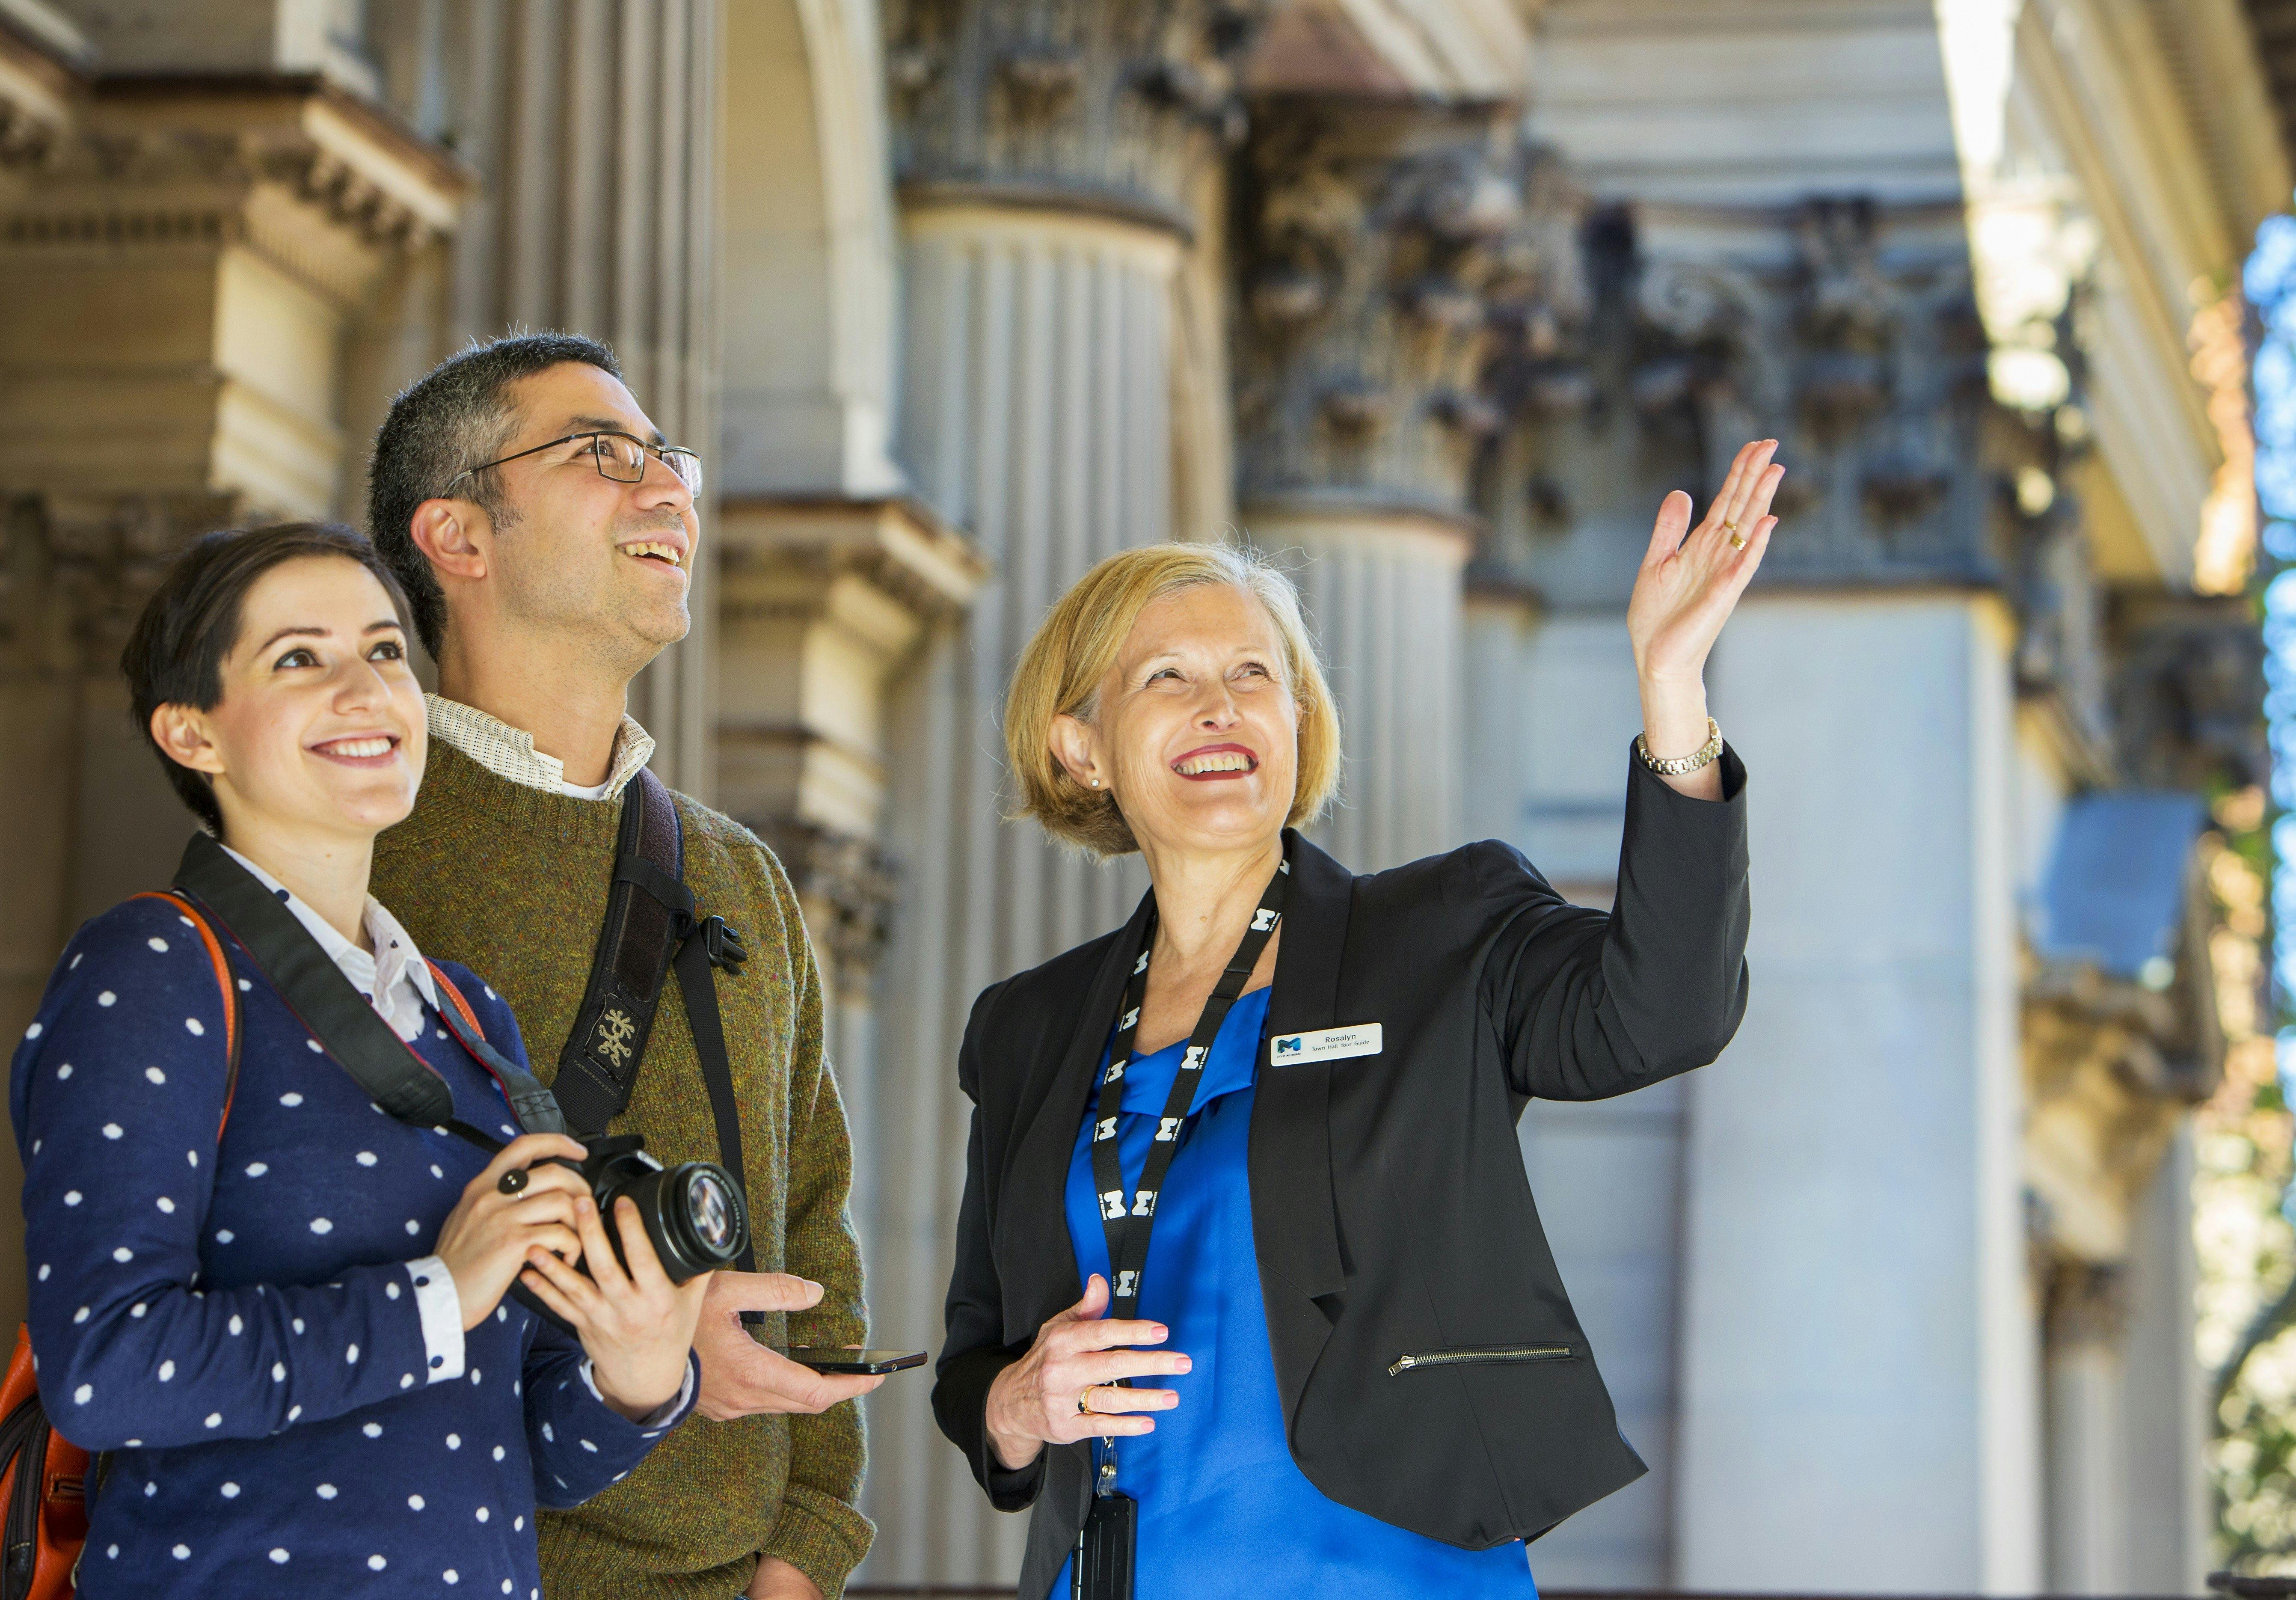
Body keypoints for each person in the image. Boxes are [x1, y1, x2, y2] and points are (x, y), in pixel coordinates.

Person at [933, 440, 1780, 1597]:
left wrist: (1671, 688)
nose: (1219, 706)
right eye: (1164, 679)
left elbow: (1663, 1014)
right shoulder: (1024, 1027)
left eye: (1252, 673)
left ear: (1297, 718)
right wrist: (1016, 1401)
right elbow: (974, 1348)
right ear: (1080, 747)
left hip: (1383, 1571)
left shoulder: (1439, 933)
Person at [11, 521, 707, 1597]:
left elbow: (530, 1459)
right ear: (193, 734)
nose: (366, 687)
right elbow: (107, 1372)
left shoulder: (469, 1013)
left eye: (386, 651)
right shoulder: (153, 964)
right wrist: (439, 1293)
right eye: (300, 657)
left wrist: (641, 1367)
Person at [363, 332, 878, 1600]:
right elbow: (289, 1257)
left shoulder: (737, 870)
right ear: (458, 536)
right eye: (605, 456)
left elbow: (812, 1222)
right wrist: (635, 1326)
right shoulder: (344, 847)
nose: (671, 493)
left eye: (671, 462)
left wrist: (807, 1550)